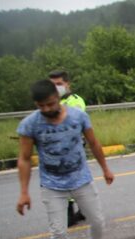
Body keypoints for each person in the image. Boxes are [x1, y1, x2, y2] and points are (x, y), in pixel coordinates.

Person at [16, 79, 120, 239]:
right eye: (41, 106)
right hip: (52, 185)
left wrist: (106, 169)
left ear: (58, 97)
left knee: (97, 219)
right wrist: (24, 192)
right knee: (58, 231)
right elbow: (24, 158)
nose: (46, 109)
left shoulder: (78, 116)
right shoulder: (30, 124)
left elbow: (93, 143)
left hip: (81, 179)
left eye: (50, 104)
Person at [48, 70, 87, 227]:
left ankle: (71, 214)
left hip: (73, 147)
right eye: (52, 85)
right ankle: (82, 210)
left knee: (72, 178)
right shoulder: (52, 103)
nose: (56, 88)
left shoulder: (75, 101)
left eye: (59, 84)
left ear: (67, 84)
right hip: (57, 149)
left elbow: (73, 123)